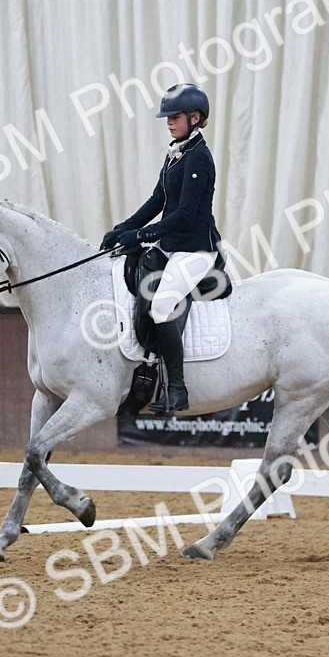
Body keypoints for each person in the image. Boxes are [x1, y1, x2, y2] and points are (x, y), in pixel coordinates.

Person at [102, 83, 223, 413]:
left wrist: (141, 235)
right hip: (171, 246)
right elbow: (158, 200)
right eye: (166, 116)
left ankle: (178, 389)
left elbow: (184, 215)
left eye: (174, 116)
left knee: (163, 305)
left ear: (195, 118)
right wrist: (123, 228)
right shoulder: (176, 152)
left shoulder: (199, 157)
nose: (168, 121)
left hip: (196, 251)